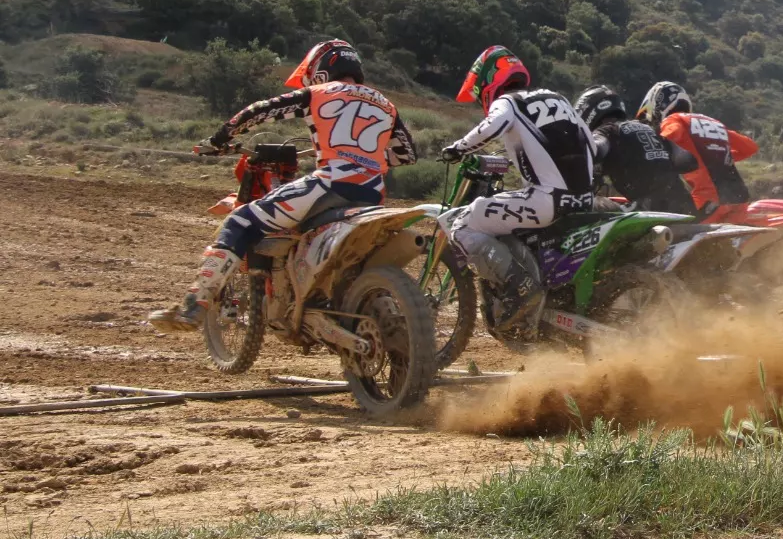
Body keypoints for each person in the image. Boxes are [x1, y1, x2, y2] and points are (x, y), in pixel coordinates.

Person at [149, 40, 416, 332]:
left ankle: (194, 304)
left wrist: (219, 140)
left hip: (330, 184)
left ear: (322, 70)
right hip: (372, 193)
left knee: (239, 221)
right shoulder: (385, 105)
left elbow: (259, 111)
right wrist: (367, 157)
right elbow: (406, 154)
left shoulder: (317, 93)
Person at [439, 46, 598, 326]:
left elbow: (491, 127)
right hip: (584, 200)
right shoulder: (558, 98)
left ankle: (522, 289)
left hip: (545, 202)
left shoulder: (508, 102)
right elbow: (590, 144)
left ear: (488, 81)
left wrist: (458, 148)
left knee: (463, 224)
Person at [637, 81, 758, 219]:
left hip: (709, 201)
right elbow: (750, 147)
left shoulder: (673, 120)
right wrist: (714, 154)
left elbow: (671, 134)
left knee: (667, 227)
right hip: (740, 199)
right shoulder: (713, 122)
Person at [575, 84, 698, 215]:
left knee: (584, 205)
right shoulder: (651, 131)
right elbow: (689, 161)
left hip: (649, 209)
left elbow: (595, 150)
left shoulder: (607, 131)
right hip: (687, 208)